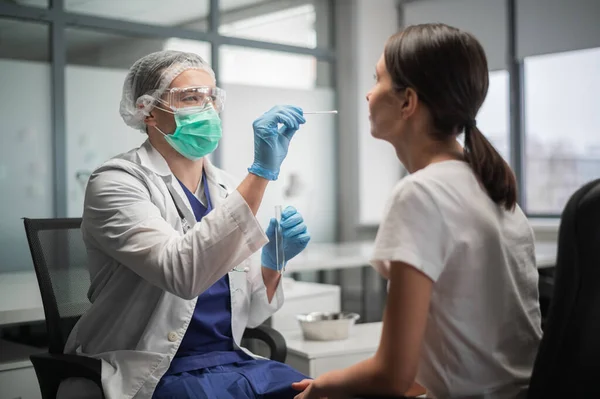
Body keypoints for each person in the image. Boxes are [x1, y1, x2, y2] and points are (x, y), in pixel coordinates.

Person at [293, 23, 542, 399]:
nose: (367, 93)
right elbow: (446, 363)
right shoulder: (493, 189)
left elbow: (391, 375)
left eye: (377, 79)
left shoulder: (421, 194)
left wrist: (323, 385)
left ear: (407, 102)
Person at [59, 50, 312, 399]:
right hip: (155, 369)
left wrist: (273, 263)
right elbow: (182, 273)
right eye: (190, 98)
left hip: (228, 363)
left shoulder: (226, 188)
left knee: (319, 391)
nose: (206, 110)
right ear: (147, 110)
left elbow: (251, 317)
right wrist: (261, 173)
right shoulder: (116, 182)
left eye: (210, 98)